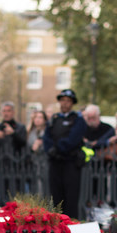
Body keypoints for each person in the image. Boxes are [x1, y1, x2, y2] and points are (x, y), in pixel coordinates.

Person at [42, 89, 87, 219]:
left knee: (71, 198)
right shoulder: (54, 119)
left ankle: (71, 225)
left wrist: (58, 148)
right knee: (56, 197)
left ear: (72, 103)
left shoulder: (78, 119)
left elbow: (74, 138)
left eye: (68, 101)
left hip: (70, 162)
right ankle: (58, 225)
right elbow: (46, 137)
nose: (65, 103)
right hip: (55, 162)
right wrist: (50, 150)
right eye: (62, 100)